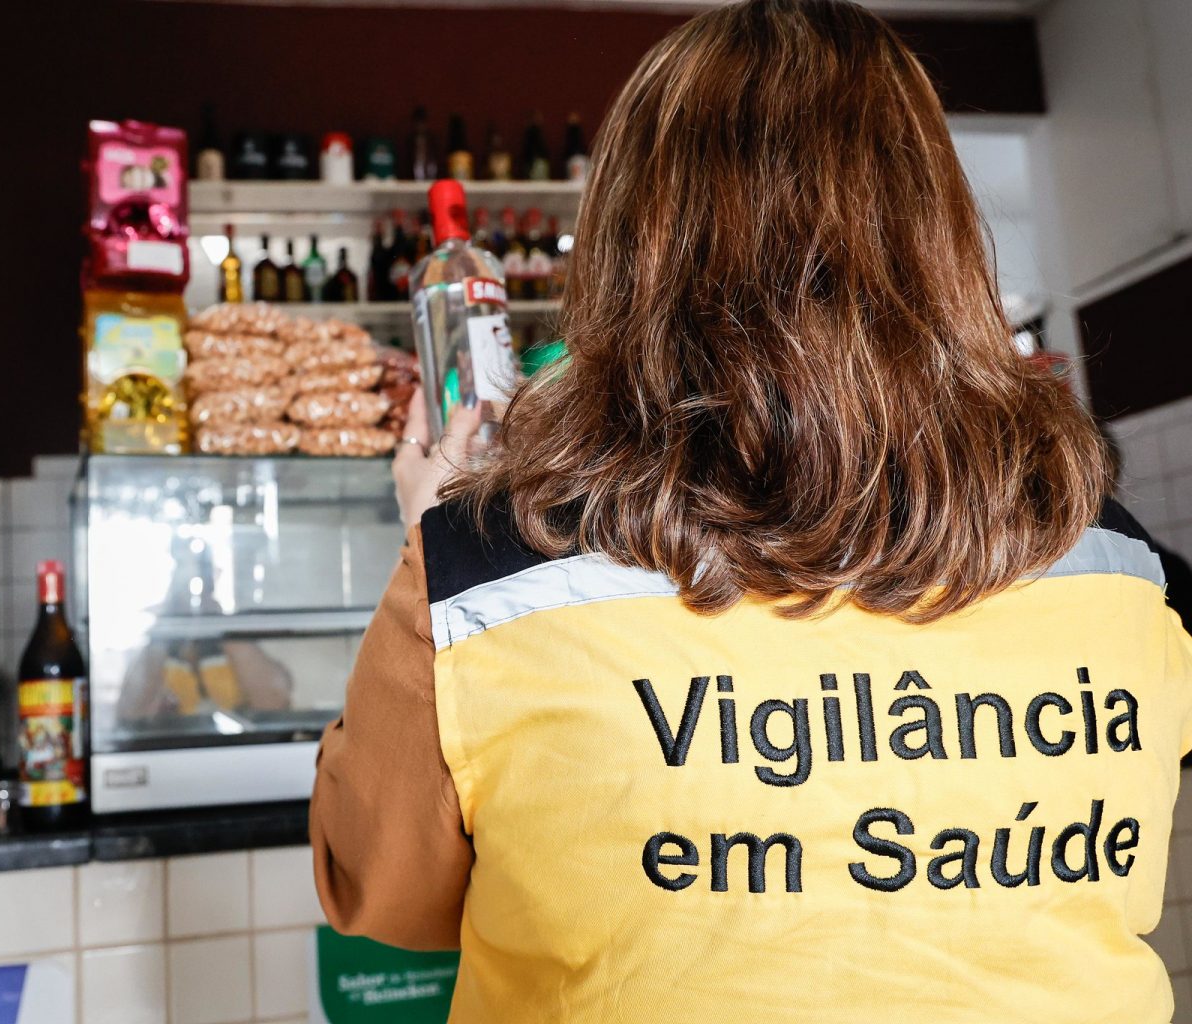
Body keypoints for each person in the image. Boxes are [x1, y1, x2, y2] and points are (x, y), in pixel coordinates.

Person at [310, 0, 1192, 1020]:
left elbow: (376, 891)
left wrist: (434, 524)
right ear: (941, 226)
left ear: (632, 238)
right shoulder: (1116, 558)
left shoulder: (490, 568)